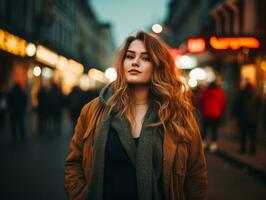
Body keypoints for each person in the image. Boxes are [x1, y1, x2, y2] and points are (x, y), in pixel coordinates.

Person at [65, 31, 207, 200]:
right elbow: (74, 164)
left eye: (145, 58)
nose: (135, 63)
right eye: (130, 56)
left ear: (158, 66)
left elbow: (195, 176)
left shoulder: (178, 115)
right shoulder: (93, 110)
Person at [232, 81, 259, 154]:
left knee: (243, 135)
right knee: (253, 136)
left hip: (243, 118)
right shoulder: (256, 95)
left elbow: (236, 105)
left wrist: (234, 114)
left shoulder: (241, 94)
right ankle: (252, 150)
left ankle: (243, 149)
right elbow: (259, 106)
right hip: (254, 119)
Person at [198, 81, 225, 152]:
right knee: (214, 130)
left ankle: (203, 143)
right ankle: (213, 145)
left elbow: (200, 102)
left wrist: (203, 110)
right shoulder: (219, 93)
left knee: (204, 129)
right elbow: (222, 104)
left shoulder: (204, 93)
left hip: (206, 114)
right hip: (216, 115)